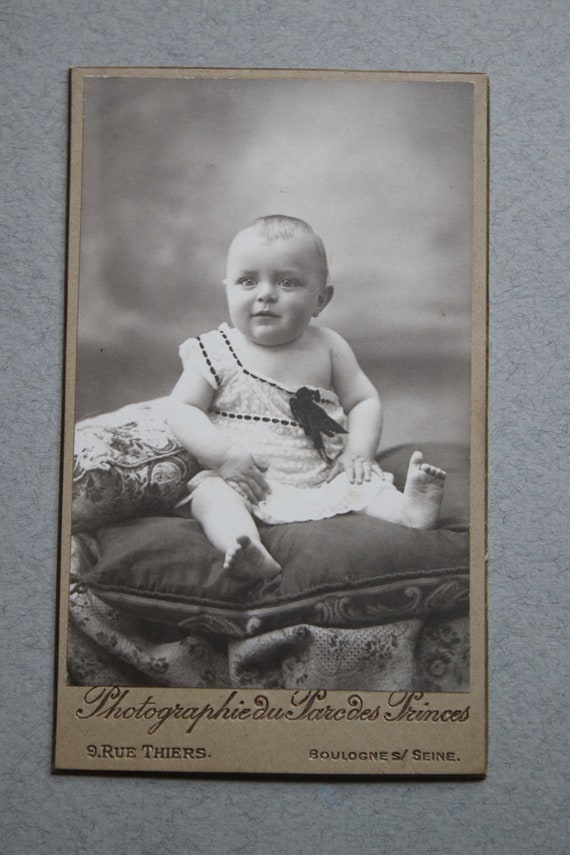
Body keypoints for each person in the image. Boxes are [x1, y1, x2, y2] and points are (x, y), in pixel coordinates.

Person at [167, 215, 446, 581]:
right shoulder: (215, 350)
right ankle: (246, 546)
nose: (265, 294)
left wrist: (357, 453)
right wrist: (223, 456)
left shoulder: (328, 346)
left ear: (321, 299)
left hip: (326, 473)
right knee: (211, 498)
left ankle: (409, 510)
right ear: (228, 289)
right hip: (249, 479)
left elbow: (363, 400)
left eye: (287, 282)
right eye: (247, 281)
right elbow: (182, 408)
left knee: (365, 484)